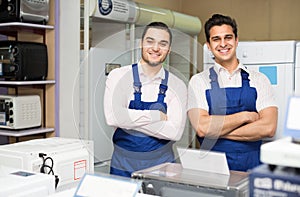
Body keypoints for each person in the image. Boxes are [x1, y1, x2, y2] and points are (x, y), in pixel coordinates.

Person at [187, 14, 278, 172]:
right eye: (216, 39)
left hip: (252, 167)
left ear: (236, 40)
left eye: (228, 37)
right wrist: (245, 116)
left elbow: (268, 128)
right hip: (212, 168)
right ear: (208, 45)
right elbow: (202, 128)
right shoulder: (198, 81)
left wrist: (215, 132)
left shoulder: (259, 80)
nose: (223, 44)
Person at [104, 22, 187, 177]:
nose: (155, 48)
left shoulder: (178, 85)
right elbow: (112, 117)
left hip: (163, 168)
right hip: (122, 166)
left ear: (168, 50)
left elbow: (175, 132)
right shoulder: (118, 76)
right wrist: (156, 116)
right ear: (141, 43)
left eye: (163, 44)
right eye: (150, 41)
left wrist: (127, 118)